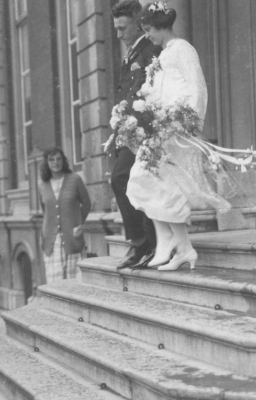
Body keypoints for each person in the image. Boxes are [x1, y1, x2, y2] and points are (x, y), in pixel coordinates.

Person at [126, 2, 231, 271]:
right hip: (162, 130)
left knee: (162, 183)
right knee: (146, 181)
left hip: (177, 129)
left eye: (149, 30)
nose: (147, 35)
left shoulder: (183, 49)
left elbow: (197, 87)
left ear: (161, 26)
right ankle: (176, 246)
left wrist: (188, 123)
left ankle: (180, 247)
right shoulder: (161, 55)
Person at [109, 0, 161, 269]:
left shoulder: (151, 49)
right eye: (116, 29)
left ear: (137, 23)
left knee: (122, 178)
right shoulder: (131, 53)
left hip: (145, 131)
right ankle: (145, 243)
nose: (118, 34)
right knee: (130, 181)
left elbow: (150, 91)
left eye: (122, 28)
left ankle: (143, 242)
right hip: (128, 132)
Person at [39, 147, 91, 283]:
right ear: (46, 163)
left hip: (72, 239)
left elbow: (87, 204)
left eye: (59, 159)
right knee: (54, 282)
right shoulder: (42, 185)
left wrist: (77, 223)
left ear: (63, 160)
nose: (56, 162)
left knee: (75, 281)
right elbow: (45, 211)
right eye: (51, 159)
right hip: (52, 242)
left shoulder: (75, 180)